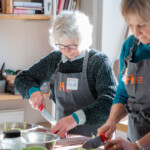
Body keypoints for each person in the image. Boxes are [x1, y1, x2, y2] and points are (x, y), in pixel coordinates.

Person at [14, 10, 117, 138]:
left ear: (83, 39)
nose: (67, 51)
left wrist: (75, 118)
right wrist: (33, 90)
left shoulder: (99, 62)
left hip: (97, 138)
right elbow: (22, 78)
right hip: (63, 138)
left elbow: (110, 103)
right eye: (62, 46)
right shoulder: (55, 59)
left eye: (72, 46)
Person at [97, 0, 150, 149]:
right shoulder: (130, 46)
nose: (135, 32)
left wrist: (137, 146)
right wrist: (112, 121)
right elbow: (123, 92)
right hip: (135, 136)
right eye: (130, 25)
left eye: (141, 25)